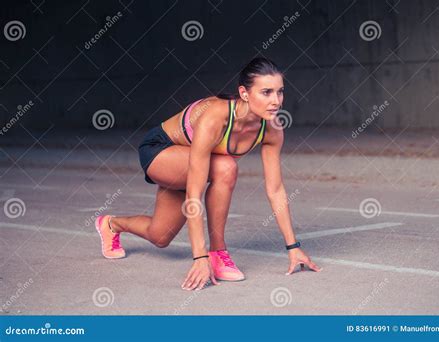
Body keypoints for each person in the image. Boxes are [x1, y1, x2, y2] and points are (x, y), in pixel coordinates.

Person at [95, 57, 322, 291]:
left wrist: (293, 246)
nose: (276, 101)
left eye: (280, 92)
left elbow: (275, 190)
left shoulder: (272, 128)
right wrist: (199, 257)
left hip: (190, 161)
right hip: (159, 151)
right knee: (225, 167)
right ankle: (217, 252)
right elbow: (194, 192)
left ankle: (111, 224)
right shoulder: (216, 117)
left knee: (160, 236)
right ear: (244, 93)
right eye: (266, 92)